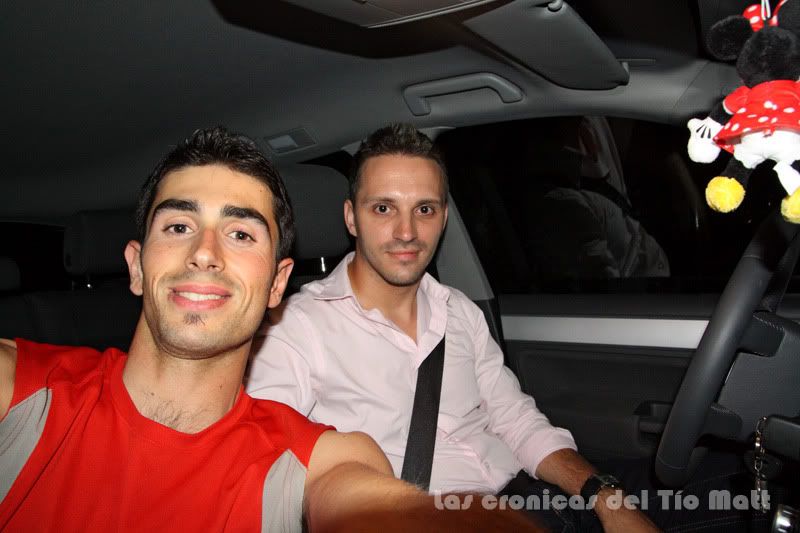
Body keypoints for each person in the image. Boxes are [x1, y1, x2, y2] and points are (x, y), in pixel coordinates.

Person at [0, 127, 538, 532]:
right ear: (136, 267)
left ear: (278, 283)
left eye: (240, 234)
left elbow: (373, 502)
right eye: (180, 226)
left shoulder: (318, 458)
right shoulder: (26, 394)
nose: (205, 252)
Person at [247, 123, 660, 532]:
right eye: (384, 208)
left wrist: (604, 496)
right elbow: (266, 472)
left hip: (535, 498)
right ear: (351, 218)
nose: (407, 232)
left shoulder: (458, 311)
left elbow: (516, 420)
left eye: (424, 210)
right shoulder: (297, 330)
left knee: (691, 492)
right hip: (436, 520)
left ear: (443, 218)